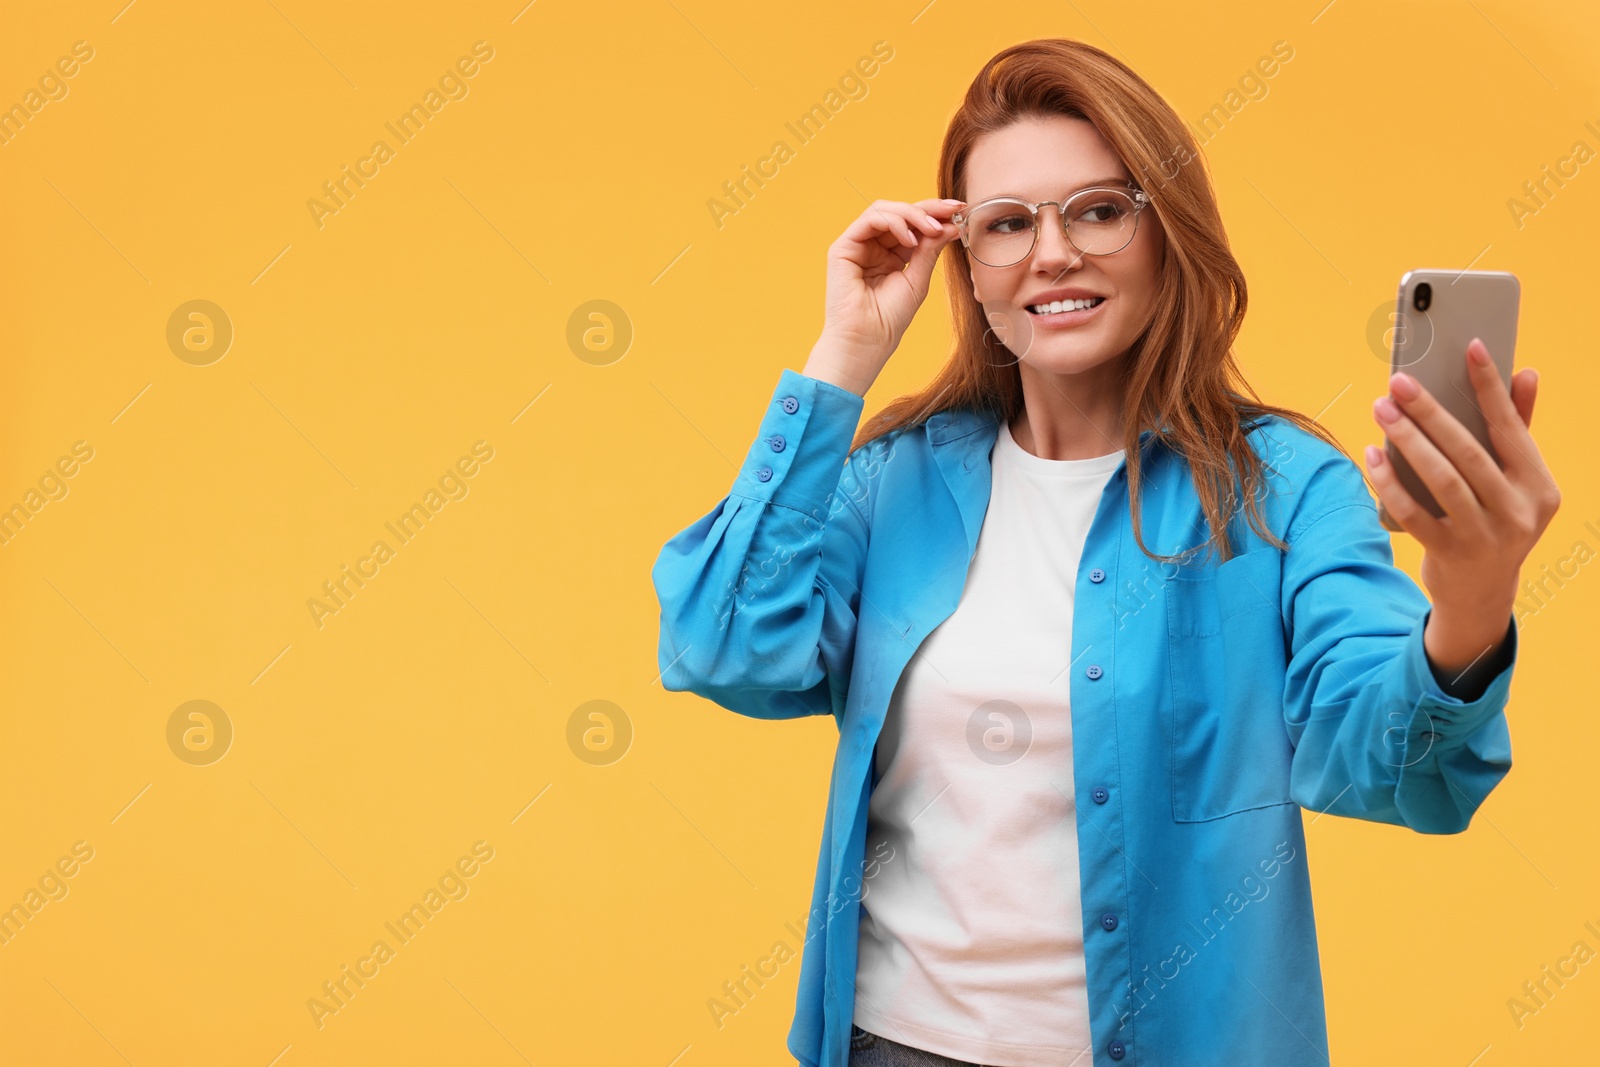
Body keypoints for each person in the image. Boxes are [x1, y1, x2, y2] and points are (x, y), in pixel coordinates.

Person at [651, 37, 1559, 1067]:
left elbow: (1399, 775)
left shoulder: (1284, 490)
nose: (1051, 254)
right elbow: (719, 646)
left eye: (1097, 208)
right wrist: (842, 357)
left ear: (1164, 230)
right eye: (1004, 224)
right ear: (970, 271)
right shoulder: (893, 478)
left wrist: (1472, 595)